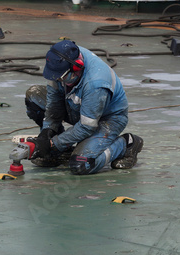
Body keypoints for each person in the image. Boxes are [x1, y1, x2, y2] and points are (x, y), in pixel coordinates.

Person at [24, 40, 143, 175]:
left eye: (61, 78)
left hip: (106, 119)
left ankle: (125, 145)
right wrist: (46, 132)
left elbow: (87, 126)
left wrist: (53, 144)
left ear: (76, 68)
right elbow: (54, 103)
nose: (58, 80)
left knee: (82, 164)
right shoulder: (61, 63)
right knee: (33, 96)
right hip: (76, 107)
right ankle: (59, 152)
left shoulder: (96, 84)